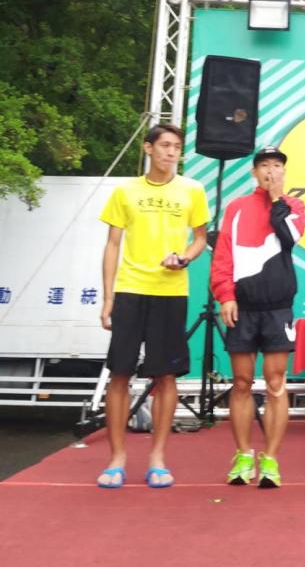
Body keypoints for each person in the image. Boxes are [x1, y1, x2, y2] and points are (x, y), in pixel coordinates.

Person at [96, 123, 210, 488]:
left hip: (171, 292)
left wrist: (185, 258)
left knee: (166, 375)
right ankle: (116, 459)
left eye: (177, 146)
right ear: (148, 148)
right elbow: (113, 244)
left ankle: (158, 458)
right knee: (120, 372)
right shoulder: (126, 191)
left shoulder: (192, 189)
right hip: (130, 290)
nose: (171, 152)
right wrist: (108, 298)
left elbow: (200, 238)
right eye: (165, 145)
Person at [210, 145, 305, 488]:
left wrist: (277, 198)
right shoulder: (237, 208)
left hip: (278, 307)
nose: (271, 171)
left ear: (284, 171)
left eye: (277, 165)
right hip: (244, 307)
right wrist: (225, 295)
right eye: (264, 165)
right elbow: (223, 254)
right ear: (254, 172)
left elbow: (290, 236)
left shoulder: (294, 207)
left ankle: (271, 459)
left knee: (276, 383)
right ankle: (243, 454)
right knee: (241, 382)